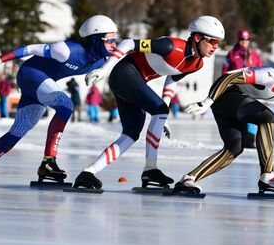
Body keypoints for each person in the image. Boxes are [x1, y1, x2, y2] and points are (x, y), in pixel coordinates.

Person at [0, 15, 119, 185]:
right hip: (30, 74)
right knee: (66, 105)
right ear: (95, 40)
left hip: (42, 84)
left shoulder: (103, 61)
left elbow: (125, 52)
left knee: (18, 130)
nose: (114, 44)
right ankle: (49, 161)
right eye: (110, 40)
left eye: (116, 39)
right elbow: (30, 49)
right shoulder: (66, 50)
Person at [71, 15, 225, 190]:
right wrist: (104, 69)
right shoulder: (171, 46)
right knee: (158, 111)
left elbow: (172, 79)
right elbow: (128, 43)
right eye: (212, 41)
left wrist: (164, 111)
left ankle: (88, 173)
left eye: (218, 43)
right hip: (125, 73)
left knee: (131, 133)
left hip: (135, 81)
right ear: (197, 37)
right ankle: (151, 168)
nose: (215, 46)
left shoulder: (197, 63)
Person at [173, 44, 274, 195]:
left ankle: (188, 179)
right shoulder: (272, 75)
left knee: (234, 148)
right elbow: (228, 76)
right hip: (226, 94)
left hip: (229, 102)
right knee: (268, 117)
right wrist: (207, 101)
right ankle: (268, 175)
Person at [223, 29, 263, 148]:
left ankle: (250, 139)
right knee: (237, 114)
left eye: (246, 39)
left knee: (252, 113)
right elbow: (225, 72)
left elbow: (261, 72)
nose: (243, 42)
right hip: (236, 89)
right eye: (241, 39)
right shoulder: (231, 54)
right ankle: (237, 138)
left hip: (252, 90)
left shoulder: (255, 56)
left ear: (249, 40)